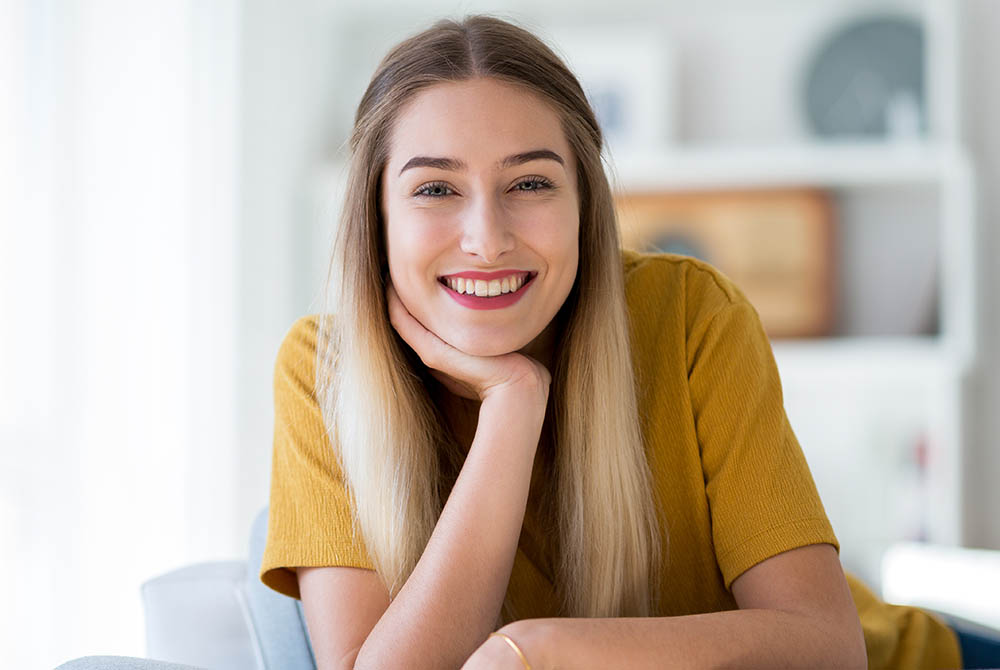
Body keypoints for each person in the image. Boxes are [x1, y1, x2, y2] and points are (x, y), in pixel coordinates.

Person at [260, 15, 962, 670]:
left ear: (584, 204)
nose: (487, 239)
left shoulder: (690, 316)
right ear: (376, 214)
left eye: (529, 182)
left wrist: (536, 650)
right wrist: (513, 401)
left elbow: (828, 646)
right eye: (436, 189)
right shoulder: (325, 374)